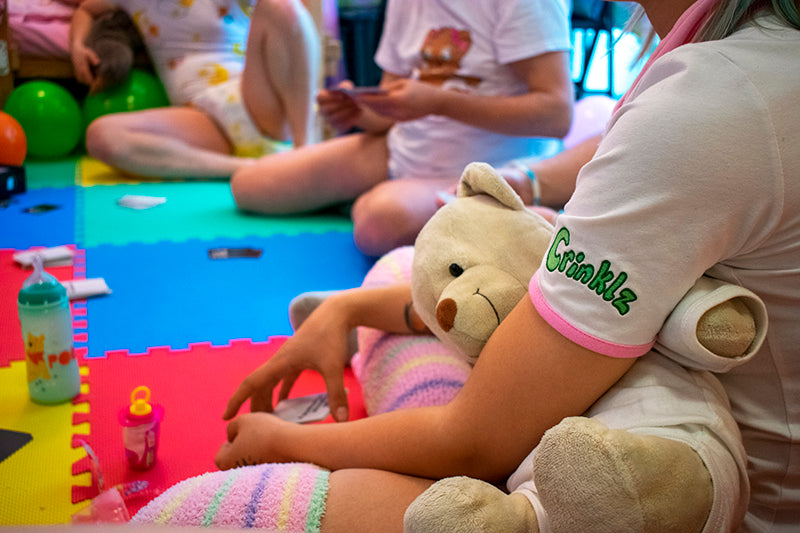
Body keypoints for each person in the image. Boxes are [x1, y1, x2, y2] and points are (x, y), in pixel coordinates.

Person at [214, 0, 800, 531]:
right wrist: (349, 308)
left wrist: (287, 441)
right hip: (444, 188)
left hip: (694, 489)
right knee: (400, 264)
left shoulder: (708, 102)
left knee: (225, 507)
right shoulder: (740, 62)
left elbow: (475, 440)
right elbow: (508, 289)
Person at [230, 0, 574, 257]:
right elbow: (392, 107)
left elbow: (557, 115)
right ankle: (379, 197)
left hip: (489, 167)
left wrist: (440, 103)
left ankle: (403, 200)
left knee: (377, 223)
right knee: (249, 186)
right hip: (401, 149)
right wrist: (360, 111)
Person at [70, 0, 320, 179]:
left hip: (254, 96)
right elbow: (86, 9)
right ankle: (249, 168)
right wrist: (77, 46)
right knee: (100, 136)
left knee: (280, 5)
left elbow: (290, 17)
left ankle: (304, 153)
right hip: (202, 118)